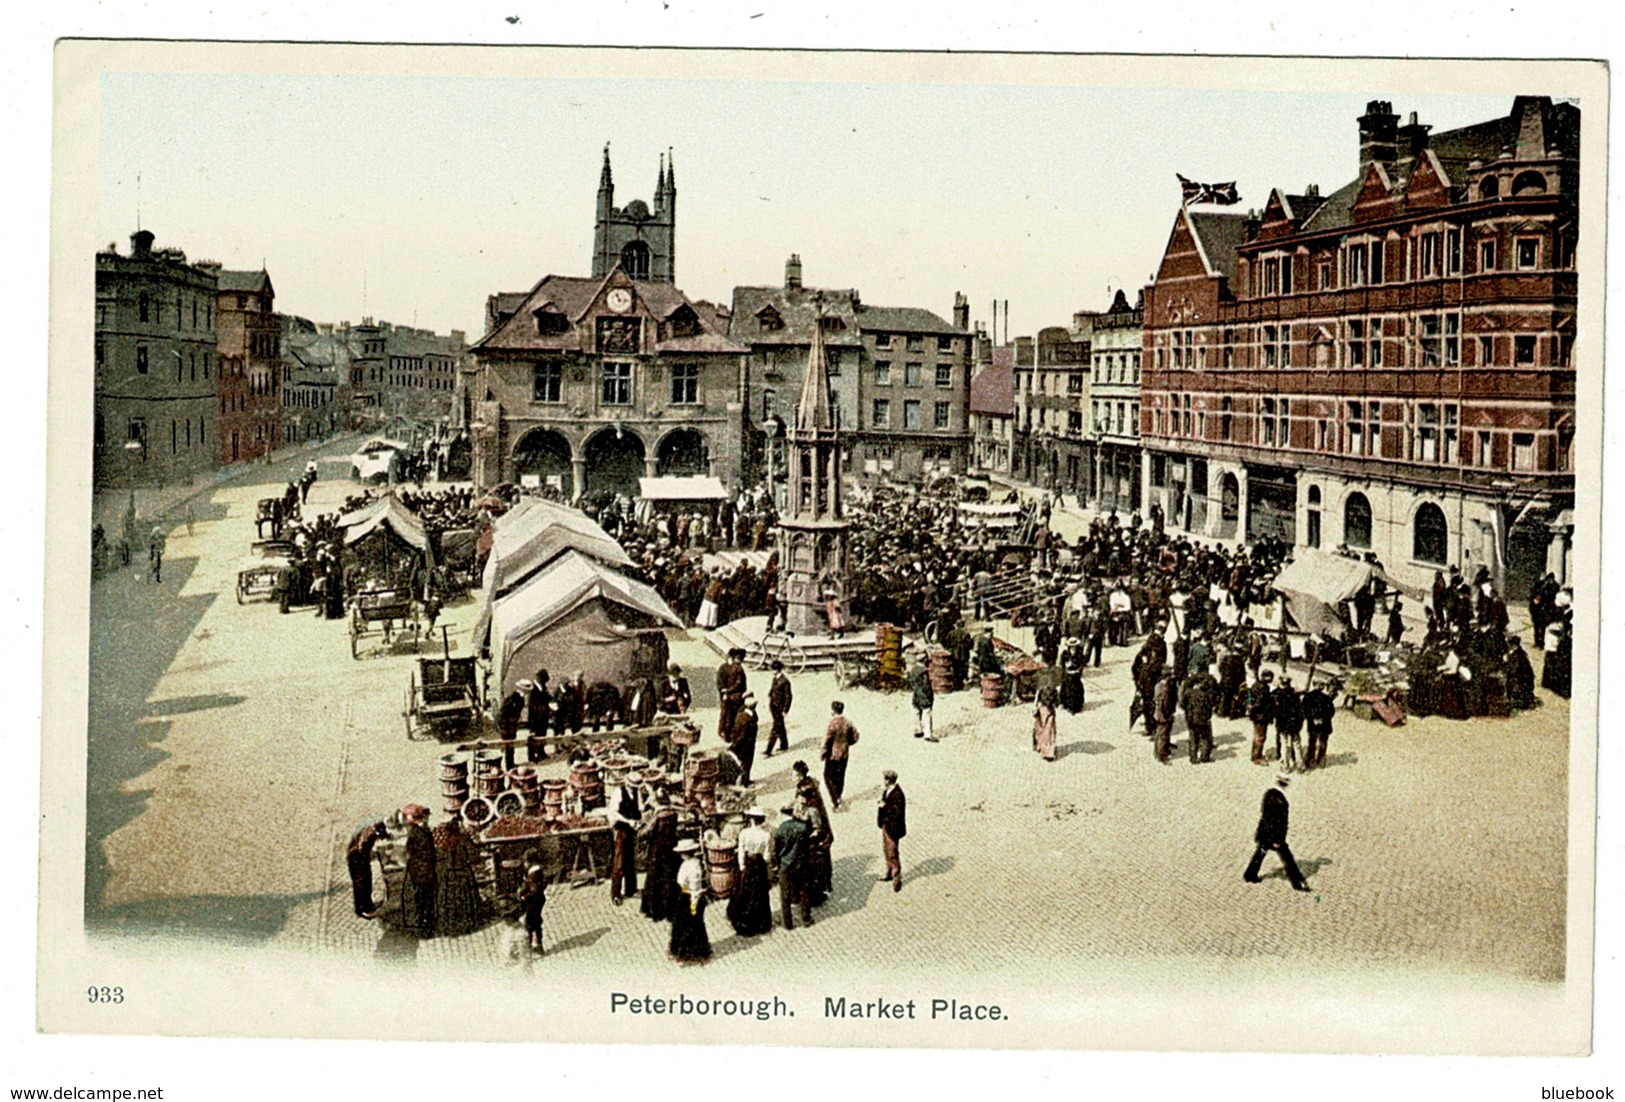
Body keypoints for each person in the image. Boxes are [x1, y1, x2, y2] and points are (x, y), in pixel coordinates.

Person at [1243, 780, 1311, 892]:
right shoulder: (1277, 801)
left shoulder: (1270, 795)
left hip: (1266, 834)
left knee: (1261, 853)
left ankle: (1250, 875)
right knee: (1287, 858)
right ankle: (1297, 882)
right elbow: (1274, 822)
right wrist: (1277, 839)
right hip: (1273, 836)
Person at [792, 760, 834, 904]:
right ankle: (825, 884)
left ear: (799, 775)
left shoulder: (805, 789)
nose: (792, 777)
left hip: (814, 830)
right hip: (820, 827)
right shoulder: (810, 784)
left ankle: (818, 890)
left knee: (815, 861)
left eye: (794, 774)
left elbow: (808, 811)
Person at [433, 815, 482, 937]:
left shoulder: (443, 842)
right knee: (464, 900)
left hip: (447, 875)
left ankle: (449, 927)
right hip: (462, 874)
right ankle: (465, 926)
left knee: (448, 902)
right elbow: (474, 856)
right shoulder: (463, 839)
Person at [727, 807, 774, 936]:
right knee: (759, 892)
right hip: (759, 865)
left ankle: (744, 920)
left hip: (748, 863)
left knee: (744, 891)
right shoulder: (766, 835)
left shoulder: (745, 833)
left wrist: (742, 866)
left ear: (752, 819)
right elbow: (767, 856)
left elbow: (741, 851)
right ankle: (760, 922)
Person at [639, 791, 680, 923]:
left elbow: (645, 832)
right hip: (671, 847)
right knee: (669, 876)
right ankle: (670, 908)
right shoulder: (673, 813)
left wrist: (640, 829)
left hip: (657, 849)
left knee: (655, 877)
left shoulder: (658, 816)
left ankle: (655, 910)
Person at [669, 839, 713, 963]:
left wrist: (693, 903)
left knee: (687, 925)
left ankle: (689, 952)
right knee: (689, 924)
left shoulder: (690, 866)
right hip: (689, 895)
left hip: (689, 897)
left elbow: (694, 886)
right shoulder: (694, 863)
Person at [770, 805, 813, 930]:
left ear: (783, 814)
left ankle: (787, 923)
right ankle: (806, 918)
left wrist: (777, 864)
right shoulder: (802, 828)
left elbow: (775, 850)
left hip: (785, 865)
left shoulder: (780, 830)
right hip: (800, 864)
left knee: (785, 895)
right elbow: (806, 847)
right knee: (803, 891)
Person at [401, 804, 438, 937]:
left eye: (407, 816)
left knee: (421, 899)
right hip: (427, 869)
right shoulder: (425, 829)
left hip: (419, 870)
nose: (406, 818)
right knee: (428, 899)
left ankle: (423, 928)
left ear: (414, 817)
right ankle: (429, 926)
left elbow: (409, 850)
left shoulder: (414, 832)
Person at [607, 777, 642, 906]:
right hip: (620, 830)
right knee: (619, 862)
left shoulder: (637, 793)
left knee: (630, 860)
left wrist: (639, 821)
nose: (635, 788)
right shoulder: (618, 793)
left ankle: (631, 889)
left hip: (631, 830)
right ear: (627, 784)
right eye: (633, 786)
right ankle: (615, 893)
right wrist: (628, 821)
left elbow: (639, 809)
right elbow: (613, 813)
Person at [345, 820, 389, 919]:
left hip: (360, 858)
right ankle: (363, 909)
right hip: (357, 860)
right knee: (362, 885)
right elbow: (361, 849)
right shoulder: (368, 836)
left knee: (366, 882)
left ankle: (367, 905)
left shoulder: (370, 829)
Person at [821, 700, 860, 810]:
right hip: (844, 753)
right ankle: (839, 795)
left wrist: (823, 753)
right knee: (840, 776)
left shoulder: (832, 724)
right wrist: (848, 743)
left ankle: (835, 800)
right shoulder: (848, 722)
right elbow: (856, 736)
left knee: (827, 776)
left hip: (833, 755)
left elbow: (828, 740)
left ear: (833, 711)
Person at [1181, 665, 1218, 764]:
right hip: (1203, 719)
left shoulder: (1188, 693)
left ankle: (1193, 758)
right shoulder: (1205, 696)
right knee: (1206, 738)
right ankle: (1204, 757)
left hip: (1190, 718)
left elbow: (1182, 704)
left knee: (1193, 738)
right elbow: (1209, 707)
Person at [877, 770, 907, 892]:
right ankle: (889, 871)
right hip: (886, 825)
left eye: (885, 779)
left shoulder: (898, 794)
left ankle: (896, 877)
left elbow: (897, 812)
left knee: (892, 852)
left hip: (893, 827)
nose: (883, 781)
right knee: (886, 849)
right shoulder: (887, 791)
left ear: (889, 780)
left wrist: (884, 806)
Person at [1302, 679, 1337, 770]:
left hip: (1315, 723)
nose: (1321, 686)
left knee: (1313, 742)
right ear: (1315, 684)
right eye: (1320, 684)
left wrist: (1314, 718)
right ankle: (1319, 760)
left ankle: (1312, 760)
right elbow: (1331, 712)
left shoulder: (1308, 696)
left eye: (1323, 684)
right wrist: (1322, 719)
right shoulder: (1326, 698)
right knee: (1320, 742)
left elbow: (1305, 711)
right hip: (1323, 724)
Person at [1273, 674, 1305, 773]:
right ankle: (1300, 764)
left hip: (1282, 724)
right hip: (1294, 724)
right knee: (1297, 744)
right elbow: (1300, 711)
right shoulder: (1295, 694)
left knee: (1284, 745)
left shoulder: (1276, 694)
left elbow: (1274, 711)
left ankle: (1285, 765)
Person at [518, 848, 547, 955]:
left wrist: (524, 896)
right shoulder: (537, 872)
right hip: (538, 900)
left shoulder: (534, 875)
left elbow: (534, 890)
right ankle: (538, 944)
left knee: (530, 924)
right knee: (536, 922)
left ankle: (529, 947)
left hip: (533, 902)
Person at [716, 648, 748, 741]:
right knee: (729, 716)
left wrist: (725, 692)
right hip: (732, 696)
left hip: (730, 695)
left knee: (727, 715)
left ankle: (724, 732)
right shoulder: (736, 669)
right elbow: (738, 684)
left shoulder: (733, 668)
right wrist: (725, 691)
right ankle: (726, 734)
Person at [766, 660, 793, 757]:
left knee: (776, 728)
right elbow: (772, 689)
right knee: (780, 726)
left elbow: (788, 697)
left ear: (778, 670)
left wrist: (785, 710)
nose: (772, 671)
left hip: (780, 708)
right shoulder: (775, 679)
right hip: (773, 706)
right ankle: (784, 744)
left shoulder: (785, 681)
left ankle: (768, 749)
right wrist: (769, 695)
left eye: (773, 669)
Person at [731, 693, 760, 786]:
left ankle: (746, 780)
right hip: (746, 745)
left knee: (747, 764)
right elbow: (741, 735)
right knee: (745, 764)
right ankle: (743, 783)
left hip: (747, 743)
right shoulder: (746, 718)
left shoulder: (744, 713)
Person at [1247, 670, 1275, 766]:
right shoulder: (1263, 688)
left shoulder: (1256, 684)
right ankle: (1257, 757)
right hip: (1261, 716)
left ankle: (1255, 755)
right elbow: (1260, 703)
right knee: (1260, 737)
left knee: (1257, 736)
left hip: (1256, 715)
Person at [1151, 669, 1177, 764]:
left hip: (1159, 713)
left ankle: (1159, 751)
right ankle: (1162, 756)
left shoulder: (1158, 685)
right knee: (1163, 734)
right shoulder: (1164, 688)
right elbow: (1165, 704)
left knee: (1161, 733)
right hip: (1163, 714)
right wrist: (1168, 714)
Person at [910, 659, 937, 742]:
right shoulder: (923, 672)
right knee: (927, 712)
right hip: (923, 695)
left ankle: (917, 730)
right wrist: (930, 695)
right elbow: (926, 686)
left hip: (916, 694)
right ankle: (928, 734)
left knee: (916, 711)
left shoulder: (913, 669)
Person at [1032, 686, 1057, 762]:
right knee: (1046, 731)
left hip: (1044, 708)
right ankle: (1046, 751)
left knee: (1045, 730)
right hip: (1044, 708)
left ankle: (1044, 749)